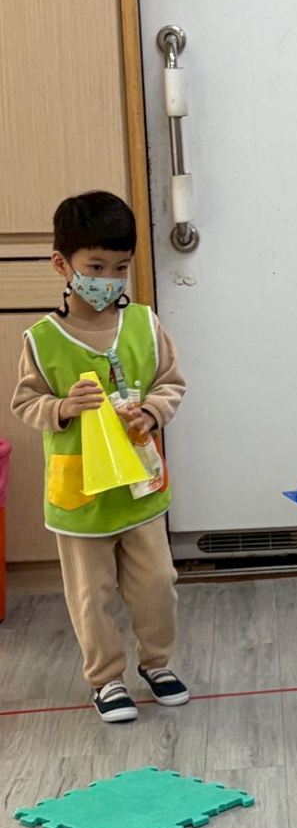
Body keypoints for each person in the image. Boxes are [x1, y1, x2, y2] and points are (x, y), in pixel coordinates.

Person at [11, 192, 188, 721]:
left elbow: (171, 383)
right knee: (90, 594)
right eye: (95, 267)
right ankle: (106, 678)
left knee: (157, 583)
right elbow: (25, 402)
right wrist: (62, 407)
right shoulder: (43, 339)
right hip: (82, 496)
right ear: (62, 264)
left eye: (120, 268)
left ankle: (156, 663)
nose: (108, 279)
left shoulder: (145, 325)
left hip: (140, 489)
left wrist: (152, 411)